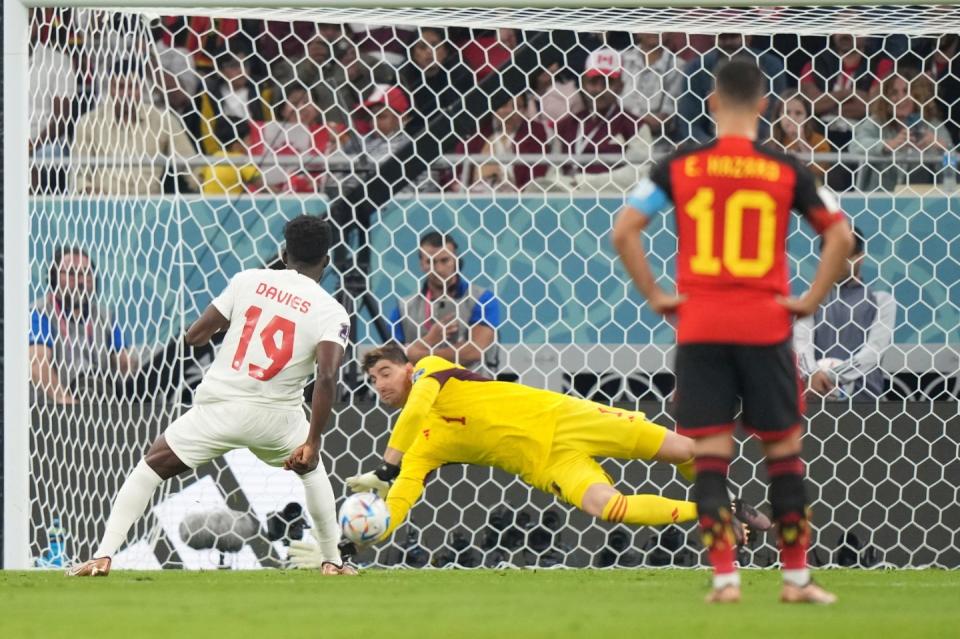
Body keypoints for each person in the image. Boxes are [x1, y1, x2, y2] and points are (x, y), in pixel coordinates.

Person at [611, 58, 854, 604]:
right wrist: (810, 299)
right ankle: (795, 579)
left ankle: (725, 579)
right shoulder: (785, 168)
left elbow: (625, 229)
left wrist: (655, 295)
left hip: (701, 328)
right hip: (766, 325)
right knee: (786, 454)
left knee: (711, 458)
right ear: (765, 105)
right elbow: (838, 237)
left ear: (714, 103)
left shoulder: (681, 166)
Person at [67, 216, 355, 577]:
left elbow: (196, 335)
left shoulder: (248, 280)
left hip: (220, 408)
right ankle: (332, 562)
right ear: (326, 261)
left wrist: (226, 326)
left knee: (151, 466)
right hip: (277, 420)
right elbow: (327, 376)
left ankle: (103, 555)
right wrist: (312, 441)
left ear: (284, 253)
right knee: (312, 473)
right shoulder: (332, 310)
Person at [310, 345, 768, 558]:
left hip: (565, 417)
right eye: (373, 381)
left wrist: (385, 466)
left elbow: (415, 412)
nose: (382, 384)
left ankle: (732, 499)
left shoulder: (433, 371)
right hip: (547, 462)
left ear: (408, 368)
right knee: (606, 507)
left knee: (682, 448)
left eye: (386, 372)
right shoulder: (420, 448)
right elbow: (400, 502)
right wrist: (350, 541)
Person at [72, 59, 199, 195]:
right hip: (104, 207)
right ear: (110, 88)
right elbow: (79, 175)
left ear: (142, 88)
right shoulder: (89, 123)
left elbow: (191, 166)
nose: (127, 94)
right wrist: (92, 193)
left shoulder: (162, 120)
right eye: (120, 87)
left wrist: (207, 190)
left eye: (133, 87)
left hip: (149, 207)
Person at [794, 229, 896, 400]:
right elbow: (801, 344)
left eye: (844, 255)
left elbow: (874, 351)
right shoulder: (809, 299)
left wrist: (831, 376)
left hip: (864, 402)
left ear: (860, 257)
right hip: (817, 400)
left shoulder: (881, 301)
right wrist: (812, 373)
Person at [30, 247, 137, 405]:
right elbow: (37, 362)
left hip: (100, 404)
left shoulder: (104, 316)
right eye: (72, 273)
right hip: (53, 414)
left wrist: (129, 366)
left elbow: (123, 360)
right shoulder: (39, 313)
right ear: (52, 278)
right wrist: (63, 399)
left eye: (86, 274)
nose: (80, 281)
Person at [387, 231, 501, 374]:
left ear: (456, 260)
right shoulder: (404, 307)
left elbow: (474, 351)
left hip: (471, 389)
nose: (438, 269)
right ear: (422, 264)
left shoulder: (482, 298)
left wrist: (418, 355)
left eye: (444, 260)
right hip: (421, 390)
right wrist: (429, 339)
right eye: (430, 261)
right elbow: (391, 357)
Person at [554, 47, 651, 192]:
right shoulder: (566, 125)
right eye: (593, 82)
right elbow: (553, 170)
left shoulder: (635, 126)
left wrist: (584, 182)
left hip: (613, 204)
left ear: (620, 87)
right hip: (567, 203)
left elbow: (639, 173)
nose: (600, 90)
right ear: (583, 84)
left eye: (607, 83)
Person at [852, 71, 954, 191]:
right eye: (894, 93)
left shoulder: (932, 124)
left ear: (917, 96)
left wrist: (942, 147)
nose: (901, 98)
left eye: (907, 92)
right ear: (885, 98)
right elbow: (855, 145)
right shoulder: (877, 121)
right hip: (878, 197)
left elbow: (952, 164)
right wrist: (887, 144)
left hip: (919, 200)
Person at [676, 34, 786, 145]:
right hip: (709, 144)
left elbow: (774, 117)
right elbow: (689, 121)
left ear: (748, 37)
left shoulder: (770, 65)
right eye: (723, 38)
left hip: (760, 143)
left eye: (733, 37)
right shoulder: (697, 68)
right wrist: (714, 146)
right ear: (713, 38)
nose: (728, 42)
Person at [771, 92, 832, 181]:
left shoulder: (819, 141)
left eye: (798, 113)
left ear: (807, 117)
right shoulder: (770, 142)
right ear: (778, 117)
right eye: (787, 113)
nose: (792, 118)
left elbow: (819, 173)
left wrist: (801, 139)